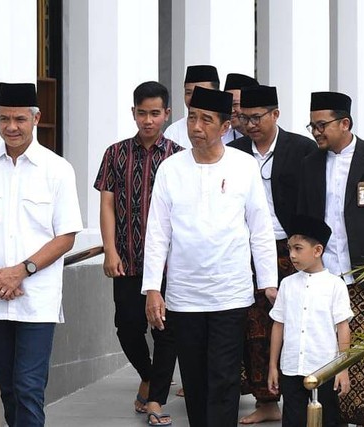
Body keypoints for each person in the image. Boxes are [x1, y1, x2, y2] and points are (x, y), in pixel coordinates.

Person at [142, 86, 279, 427]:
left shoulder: (243, 166)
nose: (196, 127)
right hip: (184, 295)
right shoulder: (171, 169)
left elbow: (259, 228)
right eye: (192, 118)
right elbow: (158, 232)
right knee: (194, 379)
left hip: (230, 293)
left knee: (224, 378)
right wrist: (153, 289)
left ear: (223, 126)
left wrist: (268, 283)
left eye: (206, 120)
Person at [0, 82, 83, 427]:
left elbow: (66, 236)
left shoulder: (56, 170)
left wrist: (20, 272)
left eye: (20, 119)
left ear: (36, 118)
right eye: (4, 118)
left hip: (35, 298)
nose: (11, 126)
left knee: (28, 387)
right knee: (8, 387)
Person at [297, 91, 364, 425]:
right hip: (325, 279)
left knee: (363, 365)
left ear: (345, 123)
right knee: (327, 364)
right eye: (312, 126)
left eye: (322, 125)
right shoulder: (310, 162)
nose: (316, 132)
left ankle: (361, 414)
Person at [93, 81, 182, 426]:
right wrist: (110, 251)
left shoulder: (177, 155)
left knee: (165, 331)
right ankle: (147, 375)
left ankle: (156, 398)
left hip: (167, 264)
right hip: (127, 258)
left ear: (166, 114)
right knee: (127, 325)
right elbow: (107, 204)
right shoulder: (115, 153)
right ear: (133, 113)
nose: (148, 120)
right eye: (142, 113)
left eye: (155, 113)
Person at [227, 85, 317, 424]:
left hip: (291, 248)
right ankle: (265, 399)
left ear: (275, 114)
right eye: (244, 118)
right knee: (255, 327)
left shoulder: (301, 149)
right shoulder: (234, 152)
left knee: (296, 321)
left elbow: (313, 201)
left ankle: (303, 394)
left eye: (257, 117)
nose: (250, 124)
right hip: (246, 250)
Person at [267, 214, 353, 427]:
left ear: (317, 251)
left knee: (328, 419)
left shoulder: (335, 285)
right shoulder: (286, 284)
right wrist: (272, 365)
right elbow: (279, 325)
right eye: (289, 249)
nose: (292, 255)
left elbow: (343, 328)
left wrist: (342, 369)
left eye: (298, 249)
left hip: (324, 368)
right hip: (292, 367)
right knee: (293, 420)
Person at [163, 65, 221, 148]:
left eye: (200, 92)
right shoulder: (173, 132)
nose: (194, 98)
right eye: (188, 93)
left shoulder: (230, 131)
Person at [223, 73, 260, 141]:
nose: (231, 110)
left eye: (235, 104)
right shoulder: (221, 141)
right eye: (227, 104)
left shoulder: (266, 139)